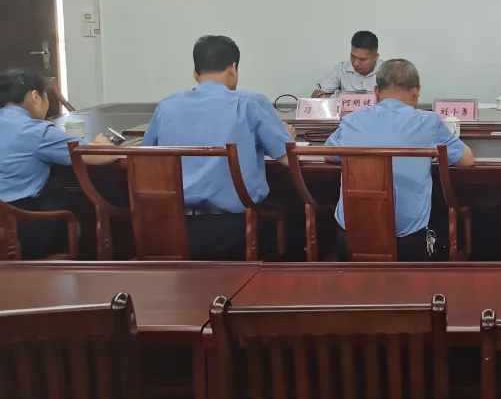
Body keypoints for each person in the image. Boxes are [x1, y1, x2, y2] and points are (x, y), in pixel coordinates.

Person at [142, 35, 296, 260]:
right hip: (234, 230)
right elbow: (288, 159)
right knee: (290, 215)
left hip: (171, 228)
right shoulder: (249, 103)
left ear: (195, 73)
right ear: (233, 69)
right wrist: (287, 139)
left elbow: (144, 160)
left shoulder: (167, 106)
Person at [327, 58, 474, 261]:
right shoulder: (428, 122)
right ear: (417, 91)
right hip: (408, 245)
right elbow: (466, 160)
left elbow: (328, 153)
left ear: (376, 91)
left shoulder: (352, 120)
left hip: (351, 238)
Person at [0, 69, 117, 259]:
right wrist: (103, 143)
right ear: (35, 96)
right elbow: (99, 156)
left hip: (5, 223)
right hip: (18, 227)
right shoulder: (36, 131)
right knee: (78, 201)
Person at [312, 30, 383, 96]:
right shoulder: (341, 68)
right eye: (353, 56)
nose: (356, 63)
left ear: (375, 57)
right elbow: (317, 94)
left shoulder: (387, 72)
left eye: (362, 59)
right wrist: (322, 97)